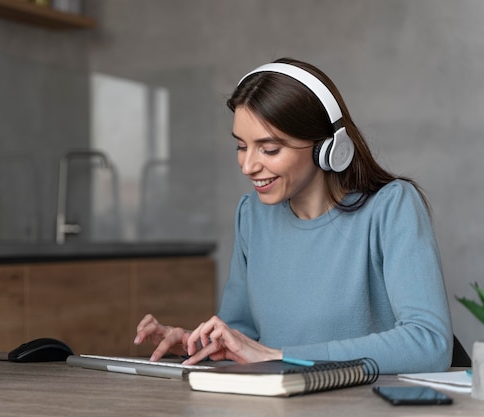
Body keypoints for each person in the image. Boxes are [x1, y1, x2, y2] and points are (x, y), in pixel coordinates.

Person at [133, 58, 453, 374]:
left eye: (269, 149)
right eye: (241, 146)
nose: (248, 166)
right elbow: (242, 341)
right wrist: (198, 346)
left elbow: (429, 344)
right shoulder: (252, 215)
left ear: (328, 147)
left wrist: (281, 355)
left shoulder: (391, 207)